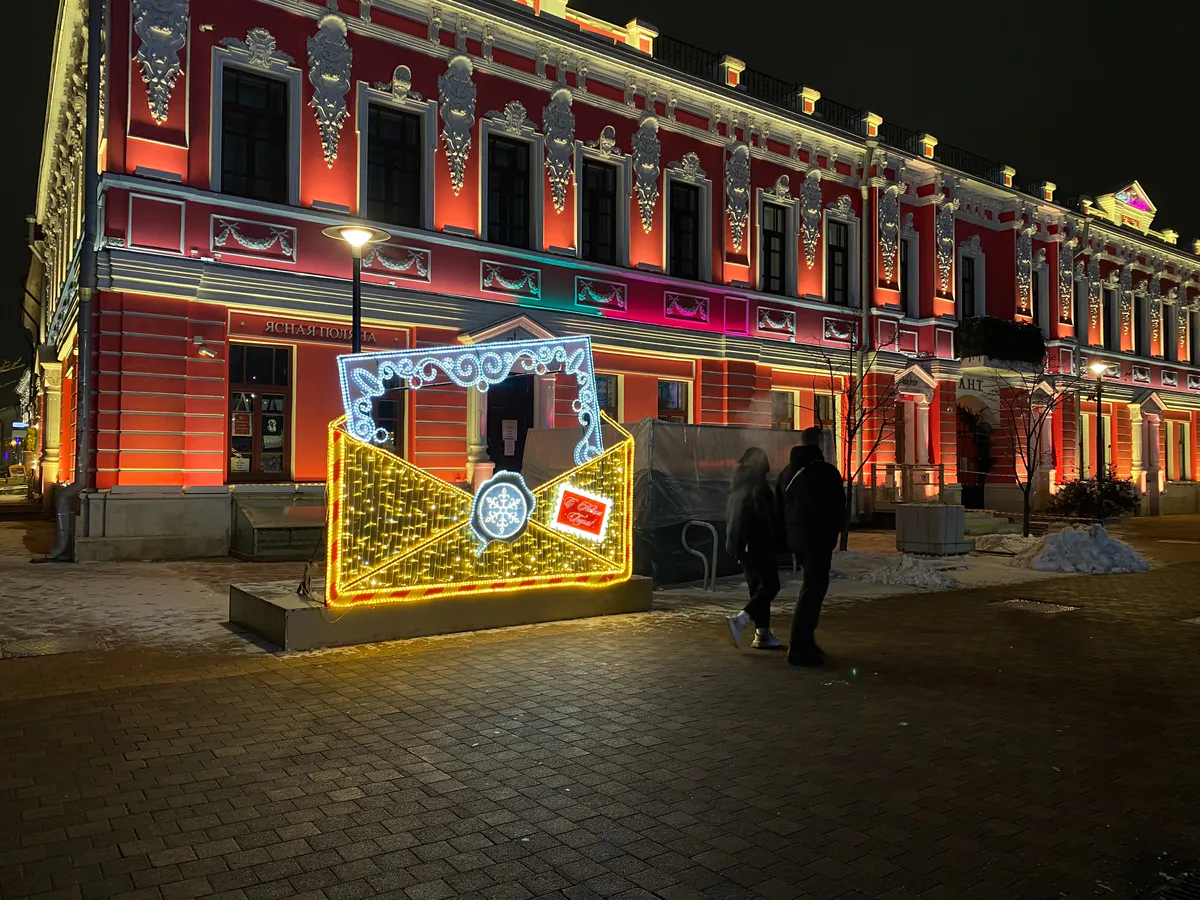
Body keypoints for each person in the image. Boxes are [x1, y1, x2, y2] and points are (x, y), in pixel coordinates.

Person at [781, 427, 846, 666]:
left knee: (811, 587)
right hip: (818, 539)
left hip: (797, 538)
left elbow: (780, 504)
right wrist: (835, 531)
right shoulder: (825, 472)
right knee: (813, 589)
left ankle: (806, 641)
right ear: (819, 444)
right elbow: (838, 505)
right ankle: (799, 646)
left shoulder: (788, 471)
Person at [724, 447, 783, 650]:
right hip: (758, 543)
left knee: (757, 589)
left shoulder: (738, 481)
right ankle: (740, 620)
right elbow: (765, 515)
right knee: (771, 586)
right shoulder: (758, 484)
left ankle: (762, 633)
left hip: (741, 544)